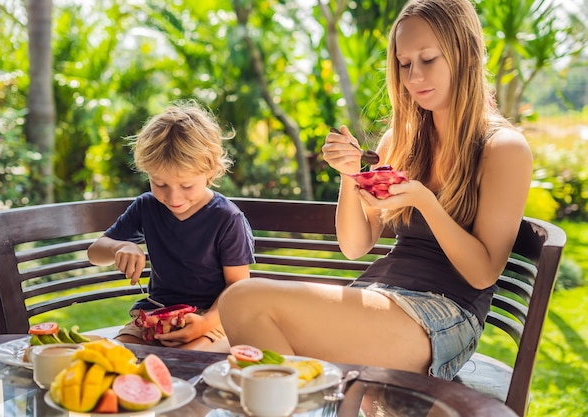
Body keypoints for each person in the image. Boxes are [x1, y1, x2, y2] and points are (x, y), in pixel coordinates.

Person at [218, 0, 532, 380]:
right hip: (380, 295)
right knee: (244, 310)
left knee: (244, 302)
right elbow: (355, 246)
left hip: (442, 315)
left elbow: (483, 274)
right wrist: (349, 174)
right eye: (404, 64)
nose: (414, 76)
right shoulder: (399, 140)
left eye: (428, 59)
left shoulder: (503, 149)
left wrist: (425, 203)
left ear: (464, 55)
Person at [88, 100, 255, 350]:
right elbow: (95, 252)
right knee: (119, 357)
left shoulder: (227, 218)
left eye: (186, 186)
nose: (173, 198)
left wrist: (204, 322)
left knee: (184, 363)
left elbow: (238, 288)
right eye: (160, 184)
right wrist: (119, 247)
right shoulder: (147, 206)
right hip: (155, 312)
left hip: (214, 318)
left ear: (210, 172)